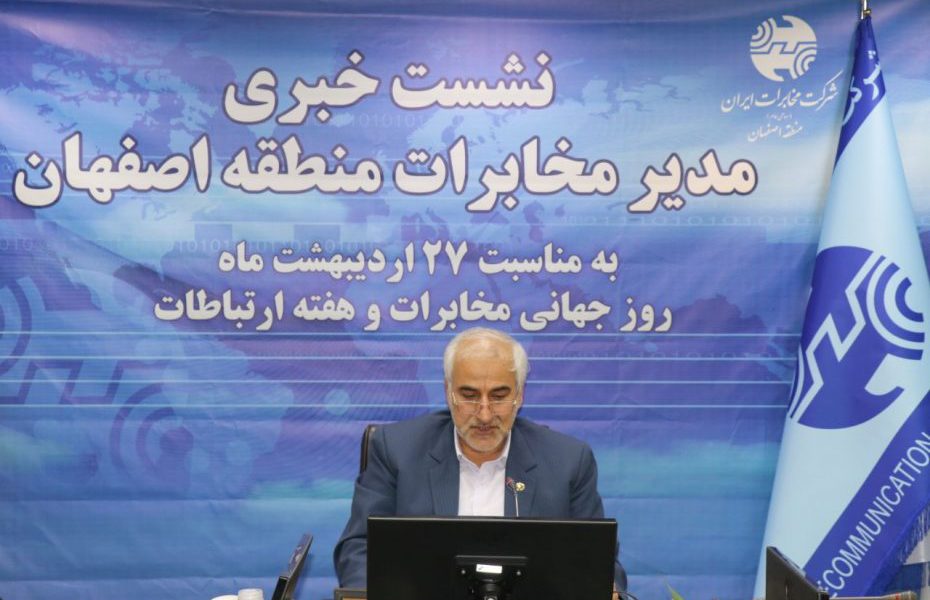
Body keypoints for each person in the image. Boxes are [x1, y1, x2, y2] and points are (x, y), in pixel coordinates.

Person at [333, 327, 627, 591]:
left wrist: (607, 588)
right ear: (448, 392)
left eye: (499, 396)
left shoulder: (568, 461)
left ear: (519, 395)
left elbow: (599, 562)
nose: (484, 414)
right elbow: (359, 548)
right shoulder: (396, 450)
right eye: (469, 395)